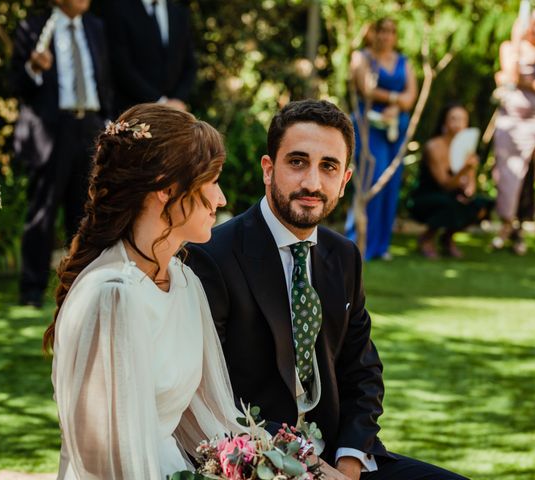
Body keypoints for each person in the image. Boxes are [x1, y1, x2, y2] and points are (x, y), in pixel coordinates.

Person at [187, 99, 468, 480]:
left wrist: (349, 464)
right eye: (297, 162)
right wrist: (311, 469)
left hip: (340, 456)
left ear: (345, 179)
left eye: (328, 167)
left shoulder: (344, 255)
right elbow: (215, 398)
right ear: (268, 169)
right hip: (256, 461)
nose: (312, 183)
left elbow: (362, 370)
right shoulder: (214, 256)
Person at [45, 104, 245, 479]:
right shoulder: (112, 297)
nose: (221, 199)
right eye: (212, 181)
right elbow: (105, 462)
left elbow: (211, 421)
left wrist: (277, 465)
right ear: (167, 190)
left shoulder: (184, 282)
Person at [10, 0, 113, 307]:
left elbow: (104, 78)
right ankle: (31, 290)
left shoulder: (96, 27)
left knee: (86, 213)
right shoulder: (33, 28)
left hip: (91, 126)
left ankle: (80, 285)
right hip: (52, 129)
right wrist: (34, 68)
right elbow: (16, 83)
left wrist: (107, 123)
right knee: (42, 212)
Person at [345, 18, 418, 261]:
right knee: (370, 179)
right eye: (382, 30)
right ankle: (358, 241)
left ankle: (381, 246)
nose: (386, 36)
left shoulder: (404, 62)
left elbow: (411, 98)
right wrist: (397, 99)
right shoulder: (362, 57)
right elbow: (366, 88)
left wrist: (395, 106)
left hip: (396, 126)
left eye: (391, 31)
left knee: (391, 182)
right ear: (372, 32)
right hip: (369, 126)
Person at [492, 7, 535, 255]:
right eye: (534, 23)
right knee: (506, 172)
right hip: (511, 120)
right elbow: (508, 73)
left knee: (528, 174)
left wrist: (519, 80)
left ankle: (518, 229)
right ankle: (504, 225)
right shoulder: (510, 48)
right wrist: (517, 48)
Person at [408, 104, 494, 259]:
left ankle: (447, 238)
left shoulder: (468, 149)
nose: (458, 123)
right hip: (428, 197)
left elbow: (470, 186)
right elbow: (444, 184)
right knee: (449, 204)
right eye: (454, 119)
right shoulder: (434, 147)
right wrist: (465, 169)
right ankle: (427, 238)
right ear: (444, 122)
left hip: (453, 195)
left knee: (480, 205)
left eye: (462, 119)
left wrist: (468, 193)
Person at [101, 0, 197, 114]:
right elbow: (121, 65)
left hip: (174, 112)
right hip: (133, 112)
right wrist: (160, 102)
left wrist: (177, 100)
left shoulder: (179, 12)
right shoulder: (120, 9)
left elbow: (190, 64)